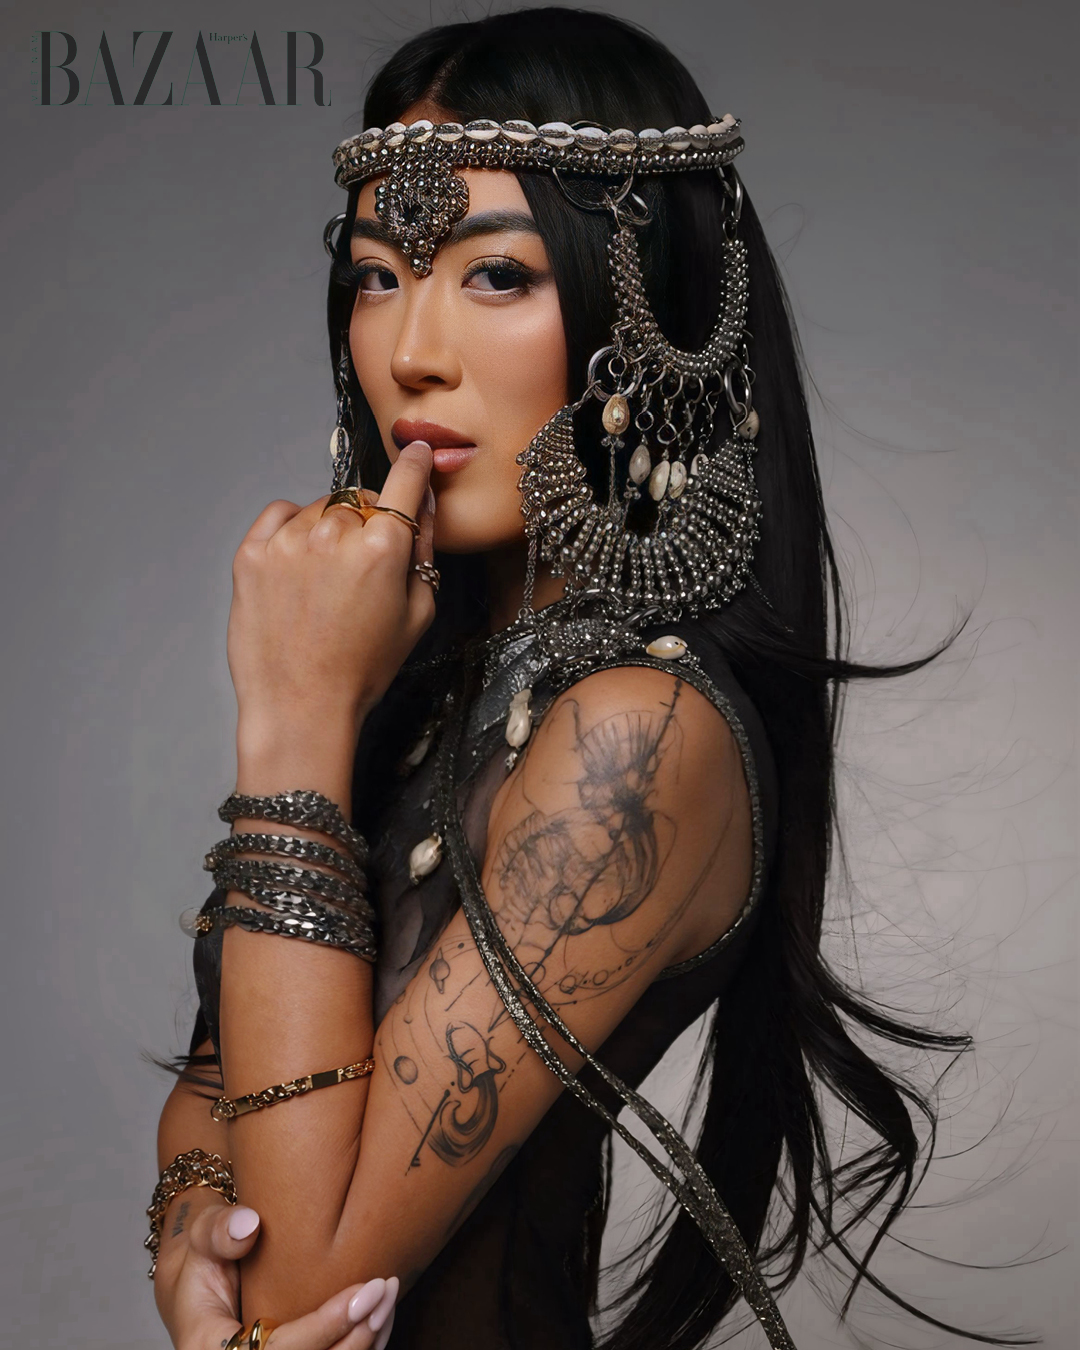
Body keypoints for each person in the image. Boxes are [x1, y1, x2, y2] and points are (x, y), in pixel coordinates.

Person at [146, 10, 1034, 1350]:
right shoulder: (430, 675)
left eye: (496, 275)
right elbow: (218, 1078)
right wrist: (186, 1242)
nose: (410, 350)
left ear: (647, 311)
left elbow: (307, 1287)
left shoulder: (639, 735)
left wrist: (291, 719)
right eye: (378, 275)